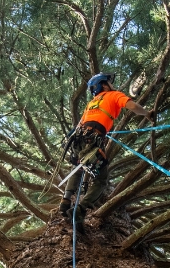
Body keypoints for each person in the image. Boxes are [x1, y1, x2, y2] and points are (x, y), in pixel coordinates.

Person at [58, 73, 153, 230]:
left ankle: (66, 199)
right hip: (94, 137)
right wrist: (148, 114)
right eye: (109, 81)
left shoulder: (92, 102)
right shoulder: (113, 95)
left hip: (78, 139)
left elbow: (79, 125)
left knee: (77, 167)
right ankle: (80, 210)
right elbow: (133, 107)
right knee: (101, 180)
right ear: (104, 85)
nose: (112, 83)